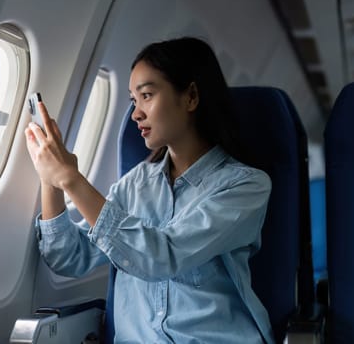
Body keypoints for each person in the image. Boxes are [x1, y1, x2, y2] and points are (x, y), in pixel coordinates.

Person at [25, 37, 274, 344]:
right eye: (133, 101)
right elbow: (71, 258)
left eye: (146, 96)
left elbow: (161, 256)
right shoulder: (135, 184)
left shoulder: (245, 186)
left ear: (191, 96)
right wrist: (49, 177)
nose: (135, 114)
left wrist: (71, 179)